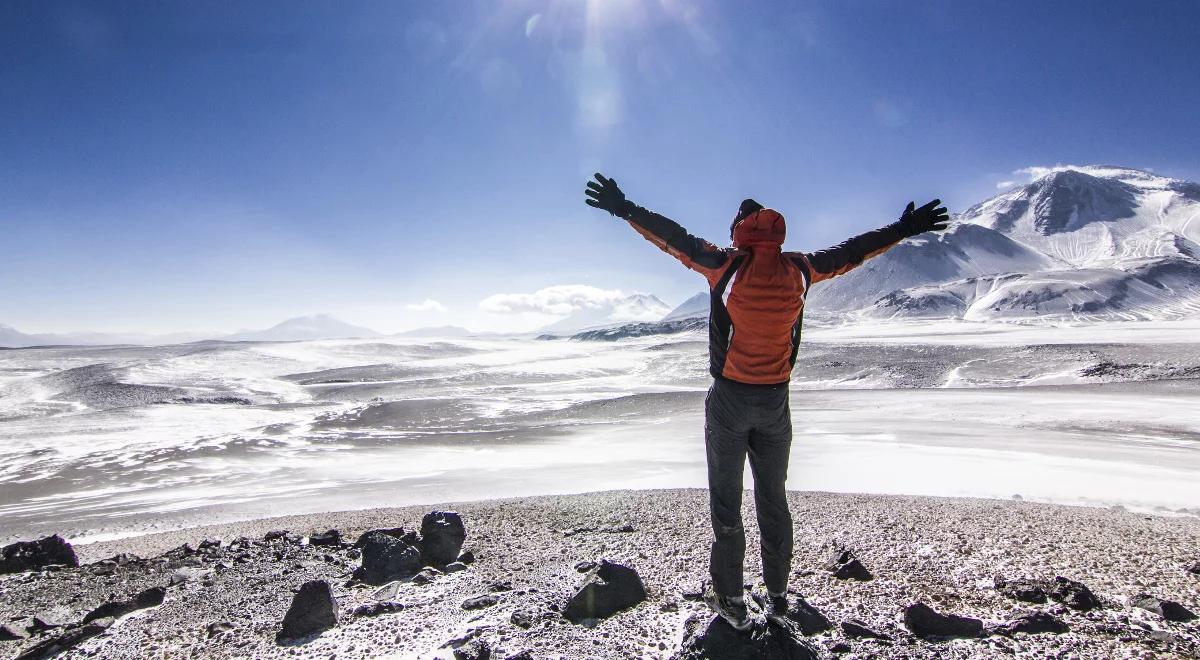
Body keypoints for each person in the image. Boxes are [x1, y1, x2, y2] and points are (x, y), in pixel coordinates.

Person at [583, 173, 948, 630]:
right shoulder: (800, 268)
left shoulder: (725, 265)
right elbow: (854, 251)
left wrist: (624, 208)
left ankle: (732, 600)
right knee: (773, 501)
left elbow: (672, 238)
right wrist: (904, 228)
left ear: (739, 230)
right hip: (776, 405)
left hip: (730, 401)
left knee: (727, 504)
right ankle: (777, 596)